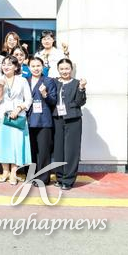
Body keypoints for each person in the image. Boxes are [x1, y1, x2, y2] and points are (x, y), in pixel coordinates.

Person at [0, 55, 32, 185]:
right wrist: (1, 87)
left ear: (16, 67)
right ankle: (5, 171)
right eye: (4, 64)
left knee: (16, 144)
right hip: (2, 116)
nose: (6, 66)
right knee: (3, 144)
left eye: (9, 64)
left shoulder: (22, 80)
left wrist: (18, 109)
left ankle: (14, 173)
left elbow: (28, 99)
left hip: (18, 117)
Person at [53, 58, 87, 190]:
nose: (64, 71)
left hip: (73, 119)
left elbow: (80, 102)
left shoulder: (77, 83)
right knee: (58, 149)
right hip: (57, 118)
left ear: (71, 69)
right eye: (61, 69)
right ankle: (59, 177)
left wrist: (81, 88)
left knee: (71, 150)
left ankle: (68, 180)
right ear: (58, 69)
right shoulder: (54, 82)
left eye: (67, 68)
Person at [26, 56, 57, 186]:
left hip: (43, 121)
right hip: (28, 120)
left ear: (43, 67)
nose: (36, 68)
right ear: (29, 68)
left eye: (38, 66)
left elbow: (53, 101)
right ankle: (30, 176)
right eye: (33, 66)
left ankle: (43, 178)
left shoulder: (48, 81)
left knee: (44, 151)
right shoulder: (25, 81)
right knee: (30, 150)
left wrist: (45, 94)